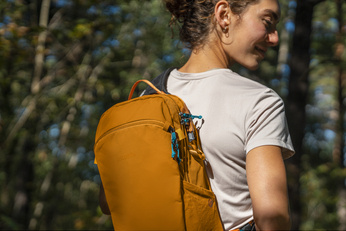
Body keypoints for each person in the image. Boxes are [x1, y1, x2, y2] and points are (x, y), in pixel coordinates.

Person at [99, 0, 295, 230]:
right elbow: (272, 220)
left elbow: (108, 200)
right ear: (224, 15)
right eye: (268, 22)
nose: (274, 38)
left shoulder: (145, 97)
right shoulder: (261, 101)